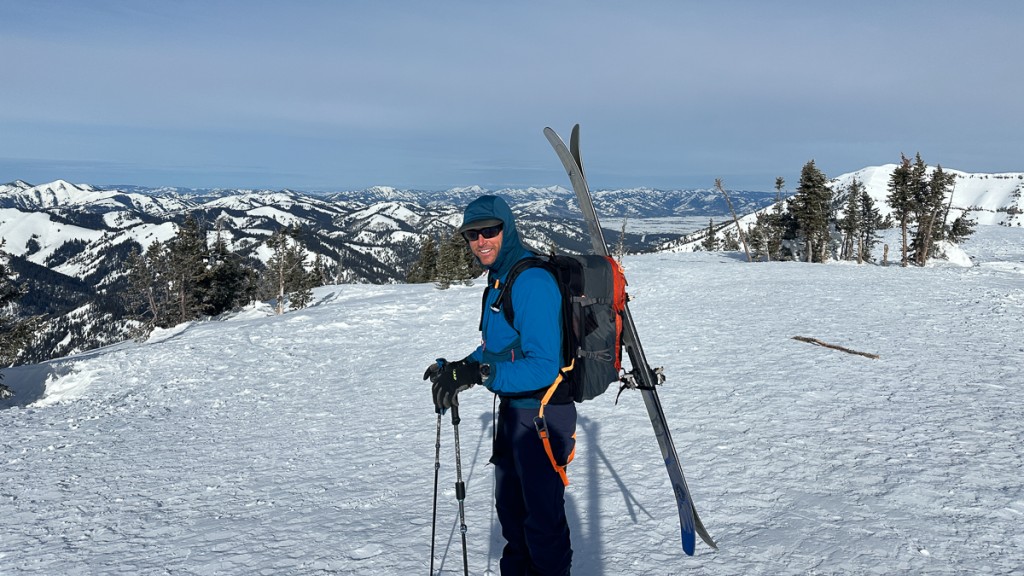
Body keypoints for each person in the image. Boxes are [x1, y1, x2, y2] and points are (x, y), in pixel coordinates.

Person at [425, 194, 576, 575]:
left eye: (489, 231)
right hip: (515, 414)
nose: (481, 241)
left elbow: (545, 366)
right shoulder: (500, 279)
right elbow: (497, 348)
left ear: (506, 229)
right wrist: (461, 367)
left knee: (543, 527)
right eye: (472, 235)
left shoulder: (532, 282)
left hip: (543, 417)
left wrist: (483, 375)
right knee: (512, 517)